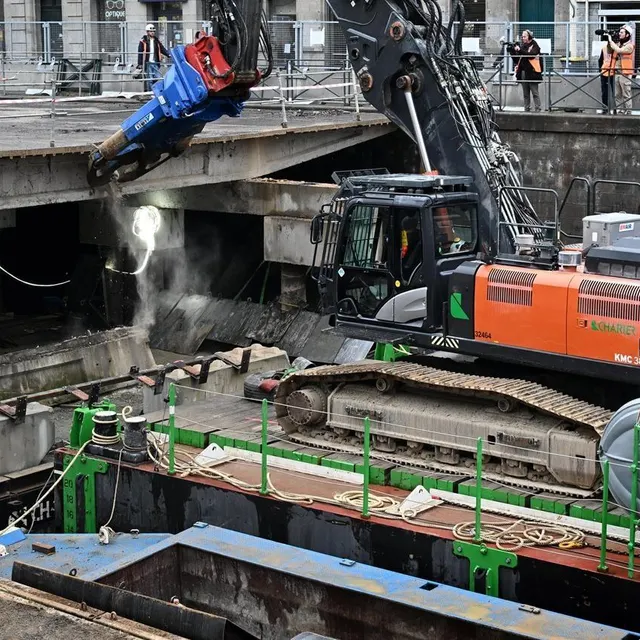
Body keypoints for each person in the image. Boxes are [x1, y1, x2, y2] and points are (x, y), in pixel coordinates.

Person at [603, 24, 635, 115]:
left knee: (626, 94)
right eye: (619, 32)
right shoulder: (617, 44)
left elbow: (620, 51)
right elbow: (609, 51)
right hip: (616, 72)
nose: (619, 34)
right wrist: (609, 42)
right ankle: (620, 111)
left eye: (622, 32)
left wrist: (612, 42)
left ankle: (628, 112)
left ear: (627, 34)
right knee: (617, 94)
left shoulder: (630, 46)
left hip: (625, 73)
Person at [511, 30, 543, 112]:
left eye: (524, 36)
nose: (523, 38)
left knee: (535, 92)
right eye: (522, 36)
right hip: (523, 72)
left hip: (533, 72)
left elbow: (531, 55)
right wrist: (513, 51)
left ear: (529, 36)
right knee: (526, 94)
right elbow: (517, 59)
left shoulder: (534, 45)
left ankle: (538, 109)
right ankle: (527, 109)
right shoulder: (523, 46)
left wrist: (520, 50)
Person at [137, 24, 170, 92]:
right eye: (150, 31)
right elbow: (140, 53)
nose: (152, 32)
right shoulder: (143, 41)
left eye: (153, 31)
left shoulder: (156, 41)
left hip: (155, 62)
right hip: (147, 63)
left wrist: (168, 54)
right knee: (150, 79)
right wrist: (140, 64)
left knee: (157, 77)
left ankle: (154, 91)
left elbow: (162, 49)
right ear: (147, 32)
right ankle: (150, 92)